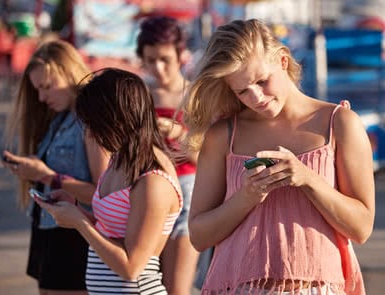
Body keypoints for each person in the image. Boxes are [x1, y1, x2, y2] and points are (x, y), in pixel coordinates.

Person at [183, 19, 375, 294]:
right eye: (242, 91)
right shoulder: (223, 134)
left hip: (315, 287)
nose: (256, 97)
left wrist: (308, 179)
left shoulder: (339, 123)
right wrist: (247, 196)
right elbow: (199, 237)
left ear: (283, 61)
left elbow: (361, 228)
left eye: (262, 81)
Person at [35, 67, 184, 295]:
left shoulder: (152, 181)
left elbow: (131, 268)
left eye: (93, 123)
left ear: (116, 119)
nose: (89, 133)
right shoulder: (117, 159)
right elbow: (115, 231)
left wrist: (79, 222)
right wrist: (75, 209)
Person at [2, 40, 109, 295]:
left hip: (75, 236)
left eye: (47, 87)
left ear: (69, 72)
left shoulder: (90, 122)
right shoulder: (60, 119)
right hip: (48, 229)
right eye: (38, 89)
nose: (41, 97)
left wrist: (46, 176)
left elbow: (105, 193)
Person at [136, 15, 201, 294]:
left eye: (165, 59)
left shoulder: (195, 95)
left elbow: (209, 159)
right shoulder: (140, 93)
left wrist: (180, 134)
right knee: (147, 285)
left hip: (187, 191)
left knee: (176, 287)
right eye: (150, 61)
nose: (158, 68)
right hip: (145, 190)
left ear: (180, 55)